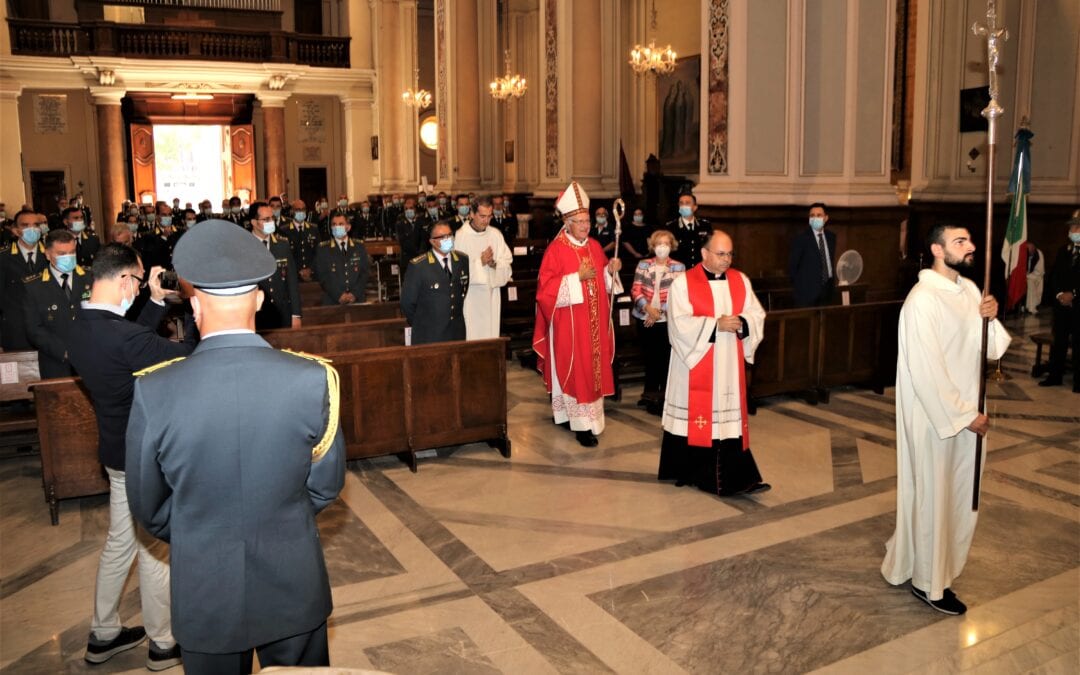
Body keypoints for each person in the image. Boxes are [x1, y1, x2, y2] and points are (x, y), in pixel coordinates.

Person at [125, 220, 345, 674]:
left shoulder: (157, 390)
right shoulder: (312, 379)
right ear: (261, 301)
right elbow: (325, 487)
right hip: (293, 580)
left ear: (194, 304)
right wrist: (277, 521)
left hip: (206, 587)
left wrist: (200, 532)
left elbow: (148, 505)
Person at [66, 243, 195, 671]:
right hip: (143, 455)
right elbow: (190, 359)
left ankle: (103, 633)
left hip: (114, 450)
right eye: (139, 281)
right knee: (154, 548)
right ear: (124, 280)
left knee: (120, 542)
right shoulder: (126, 338)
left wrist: (155, 301)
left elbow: (127, 343)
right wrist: (195, 309)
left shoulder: (81, 325)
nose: (139, 287)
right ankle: (163, 643)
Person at [881, 223, 1011, 615]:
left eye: (970, 240)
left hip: (969, 416)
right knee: (934, 499)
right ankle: (928, 584)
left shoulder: (970, 291)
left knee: (958, 498)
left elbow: (990, 351)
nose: (971, 246)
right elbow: (926, 370)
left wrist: (990, 316)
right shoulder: (922, 301)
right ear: (938, 249)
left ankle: (939, 569)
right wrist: (964, 414)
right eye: (960, 241)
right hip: (935, 419)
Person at [658, 230, 769, 495]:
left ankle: (738, 478)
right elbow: (677, 324)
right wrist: (715, 325)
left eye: (730, 253)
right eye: (721, 254)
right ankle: (694, 472)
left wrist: (742, 322)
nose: (727, 259)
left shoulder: (739, 280)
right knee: (696, 418)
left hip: (728, 364)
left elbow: (757, 313)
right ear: (705, 253)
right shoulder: (683, 284)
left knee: (725, 420)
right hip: (694, 364)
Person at [532, 181, 622, 447]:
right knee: (576, 369)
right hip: (570, 325)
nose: (586, 226)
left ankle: (585, 419)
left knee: (592, 369)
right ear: (567, 222)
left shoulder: (594, 246)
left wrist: (611, 271)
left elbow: (605, 283)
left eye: (587, 220)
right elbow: (544, 292)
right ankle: (580, 426)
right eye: (580, 221)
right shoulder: (556, 250)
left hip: (593, 323)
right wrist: (575, 278)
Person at [630, 229, 685, 415]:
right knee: (650, 359)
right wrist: (648, 309)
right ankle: (648, 396)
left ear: (672, 246)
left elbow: (677, 296)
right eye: (659, 244)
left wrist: (658, 313)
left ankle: (662, 399)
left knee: (664, 360)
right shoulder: (643, 264)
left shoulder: (679, 267)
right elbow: (636, 290)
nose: (662, 247)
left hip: (665, 320)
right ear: (653, 246)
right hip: (644, 317)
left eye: (666, 244)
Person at [23, 229, 90, 378]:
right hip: (56, 362)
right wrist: (64, 351)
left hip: (92, 358)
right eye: (61, 254)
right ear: (47, 254)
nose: (68, 257)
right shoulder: (34, 286)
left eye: (72, 252)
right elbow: (34, 329)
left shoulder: (91, 278)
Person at [400, 222, 470, 344]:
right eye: (442, 237)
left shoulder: (462, 260)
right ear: (432, 241)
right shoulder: (419, 266)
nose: (448, 239)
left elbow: (462, 289)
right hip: (429, 334)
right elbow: (407, 303)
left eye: (449, 235)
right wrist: (422, 324)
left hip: (456, 332)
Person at [454, 196, 513, 340]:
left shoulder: (495, 235)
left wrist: (494, 264)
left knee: (490, 336)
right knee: (473, 336)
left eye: (489, 216)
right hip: (471, 298)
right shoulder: (461, 236)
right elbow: (457, 271)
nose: (486, 221)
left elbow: (507, 263)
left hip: (491, 296)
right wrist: (480, 262)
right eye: (482, 216)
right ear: (472, 214)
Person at [1039, 210, 1080, 391]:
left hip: (1078, 305)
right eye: (1071, 227)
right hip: (1061, 306)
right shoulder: (1064, 250)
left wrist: (1074, 294)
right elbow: (1054, 276)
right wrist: (1059, 295)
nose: (1071, 230)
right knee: (1059, 343)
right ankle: (1055, 376)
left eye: (1076, 226)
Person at [249, 202, 303, 330]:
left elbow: (292, 282)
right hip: (256, 315)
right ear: (254, 222)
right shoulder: (245, 248)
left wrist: (296, 314)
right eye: (266, 219)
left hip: (282, 313)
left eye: (272, 218)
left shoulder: (282, 245)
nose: (271, 222)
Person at [1, 209, 49, 350]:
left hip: (48, 331)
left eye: (35, 225)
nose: (32, 229)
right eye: (25, 225)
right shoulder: (3, 258)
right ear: (15, 231)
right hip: (15, 331)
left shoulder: (51, 255)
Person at [314, 213, 370, 305]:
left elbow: (364, 273)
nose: (337, 227)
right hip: (332, 301)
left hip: (357, 299)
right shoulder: (323, 249)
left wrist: (354, 294)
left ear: (348, 227)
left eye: (341, 224)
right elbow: (323, 277)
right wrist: (338, 295)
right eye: (334, 224)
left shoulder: (359, 246)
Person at [789, 202, 837, 307]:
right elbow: (793, 268)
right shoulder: (801, 239)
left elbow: (830, 262)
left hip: (828, 290)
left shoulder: (831, 237)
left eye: (819, 215)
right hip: (808, 294)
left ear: (826, 218)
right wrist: (802, 290)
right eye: (812, 215)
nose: (815, 218)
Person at [284, 200, 320, 282]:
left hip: (312, 275)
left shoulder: (313, 229)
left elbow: (319, 252)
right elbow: (286, 255)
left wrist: (310, 269)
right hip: (293, 276)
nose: (301, 212)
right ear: (292, 211)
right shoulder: (284, 230)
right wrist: (299, 271)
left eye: (303, 209)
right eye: (298, 209)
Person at [1023, 241, 1044, 315]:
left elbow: (1039, 271)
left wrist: (1027, 276)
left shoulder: (1038, 254)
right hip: (1025, 277)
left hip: (1036, 277)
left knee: (1030, 282)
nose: (1030, 252)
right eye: (1028, 250)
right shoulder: (1023, 254)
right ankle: (1026, 307)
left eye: (1031, 250)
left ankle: (1031, 307)